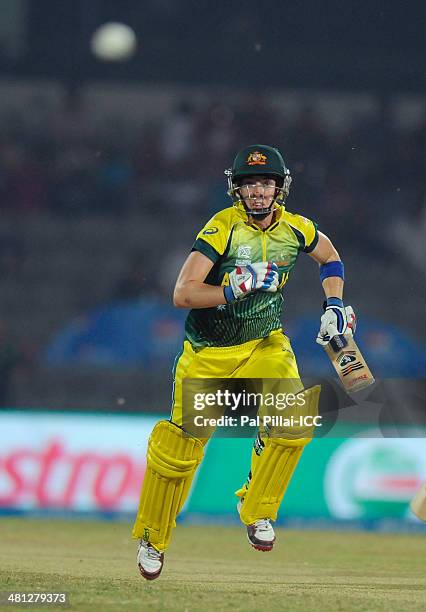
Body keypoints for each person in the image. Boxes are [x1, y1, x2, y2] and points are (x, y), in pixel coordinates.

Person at [133, 144, 355, 580]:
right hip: (208, 356)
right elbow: (183, 294)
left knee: (295, 423)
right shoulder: (223, 228)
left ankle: (256, 508)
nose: (258, 192)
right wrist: (231, 290)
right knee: (179, 453)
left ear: (280, 187)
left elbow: (330, 257)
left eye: (266, 183)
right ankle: (153, 539)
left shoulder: (296, 229)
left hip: (266, 345)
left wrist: (334, 304)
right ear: (237, 189)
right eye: (250, 184)